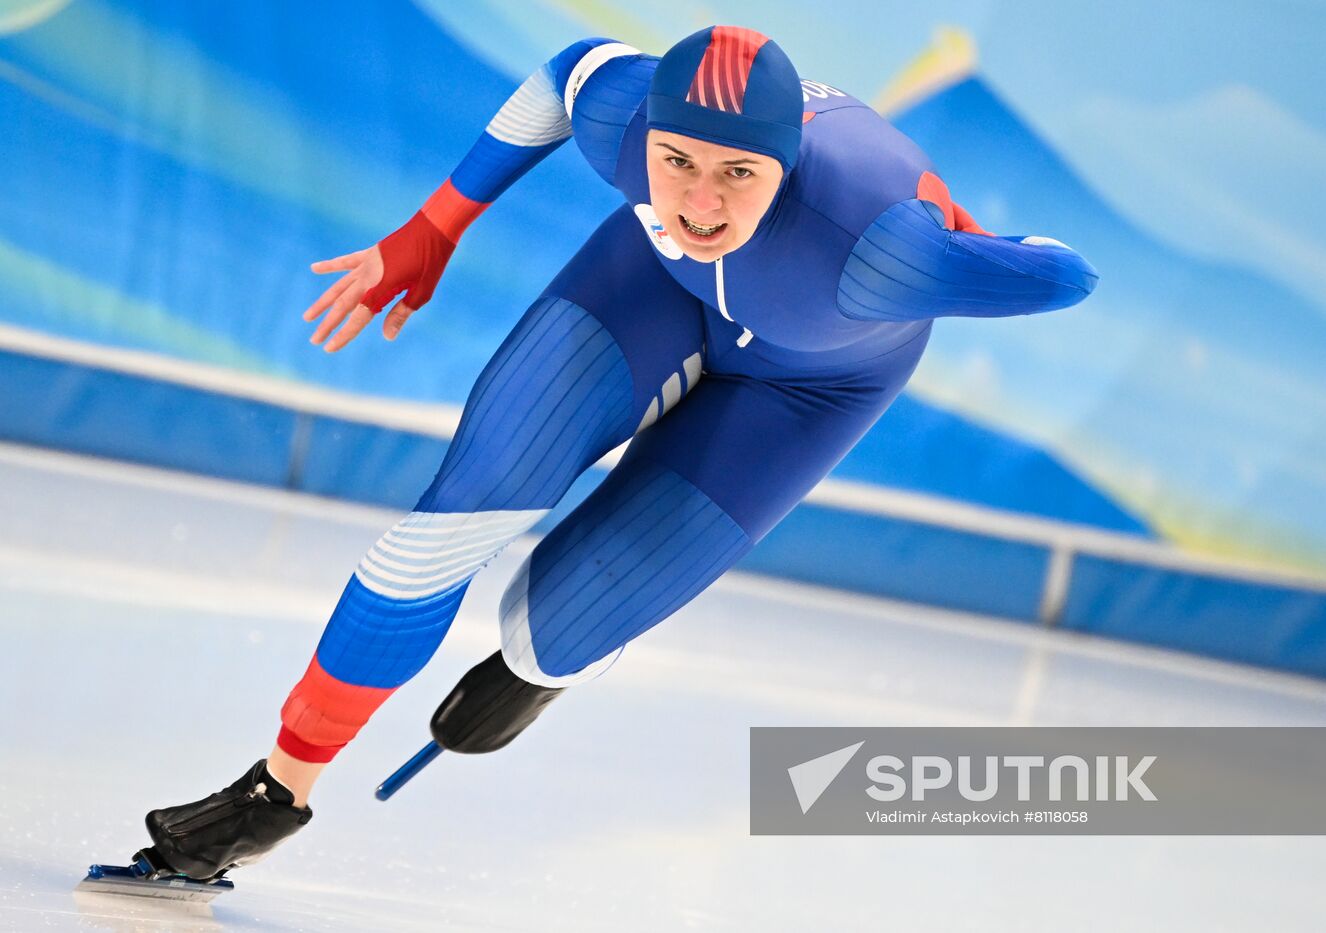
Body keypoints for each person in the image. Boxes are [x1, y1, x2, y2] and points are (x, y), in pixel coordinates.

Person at [139, 26, 1097, 881]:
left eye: (739, 174)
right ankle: (273, 795)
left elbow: (1065, 273)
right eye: (677, 161)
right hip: (651, 286)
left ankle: (542, 666)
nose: (700, 201)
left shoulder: (884, 255)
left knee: (551, 629)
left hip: (812, 385)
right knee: (462, 511)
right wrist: (432, 230)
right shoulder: (621, 118)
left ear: (789, 164)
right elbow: (560, 79)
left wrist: (965, 234)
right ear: (647, 136)